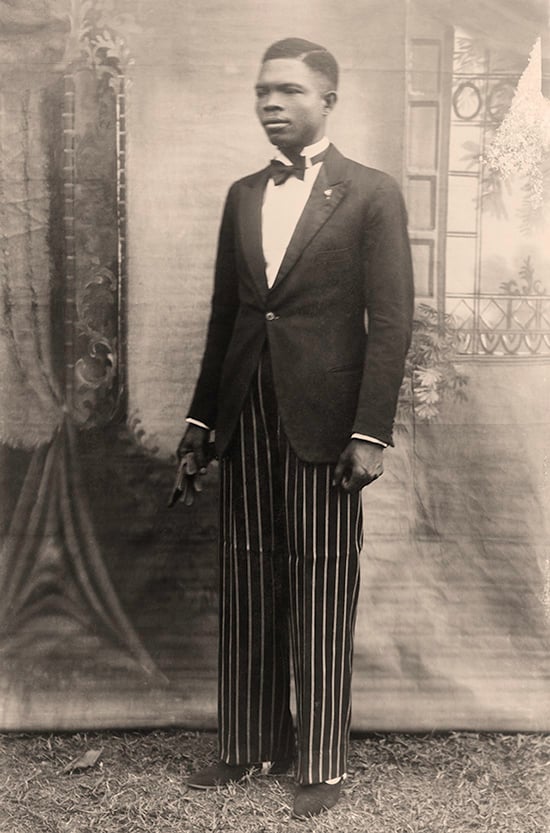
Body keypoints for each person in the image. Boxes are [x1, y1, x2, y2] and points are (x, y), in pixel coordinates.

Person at [177, 37, 414, 819]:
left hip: (329, 424)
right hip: (245, 417)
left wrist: (370, 432)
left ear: (328, 101)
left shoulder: (372, 192)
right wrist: (201, 420)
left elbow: (393, 320)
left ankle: (319, 757)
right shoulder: (244, 193)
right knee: (248, 579)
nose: (270, 104)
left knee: (319, 583)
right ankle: (248, 744)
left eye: (287, 90)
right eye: (260, 92)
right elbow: (229, 317)